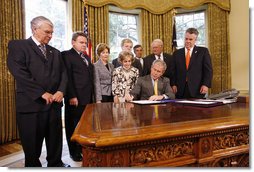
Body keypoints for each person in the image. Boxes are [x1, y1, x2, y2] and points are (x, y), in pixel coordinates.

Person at [7, 16, 70, 167]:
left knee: (55, 141)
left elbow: (64, 74)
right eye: (47, 32)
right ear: (35, 29)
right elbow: (19, 72)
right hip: (31, 106)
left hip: (53, 106)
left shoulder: (55, 52)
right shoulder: (18, 46)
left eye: (52, 32)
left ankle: (56, 164)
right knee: (32, 145)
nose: (50, 36)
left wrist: (61, 91)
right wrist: (41, 93)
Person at [62, 32, 94, 162]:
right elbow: (66, 77)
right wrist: (71, 95)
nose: (84, 45)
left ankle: (81, 149)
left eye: (85, 43)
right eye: (81, 42)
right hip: (75, 98)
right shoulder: (66, 55)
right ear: (73, 42)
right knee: (73, 126)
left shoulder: (85, 57)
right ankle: (73, 152)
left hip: (87, 98)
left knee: (84, 126)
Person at [171, 28, 213, 99]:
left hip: (197, 89)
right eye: (186, 39)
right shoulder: (177, 53)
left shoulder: (203, 52)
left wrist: (205, 85)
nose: (187, 41)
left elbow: (208, 70)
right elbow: (173, 71)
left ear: (195, 40)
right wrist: (173, 84)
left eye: (190, 39)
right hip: (180, 89)